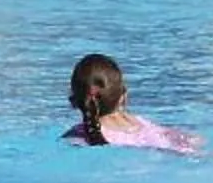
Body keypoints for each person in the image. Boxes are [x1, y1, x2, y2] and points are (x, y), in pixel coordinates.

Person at [63, 53, 203, 154]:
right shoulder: (143, 125)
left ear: (75, 100)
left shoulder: (77, 137)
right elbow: (192, 140)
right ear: (124, 96)